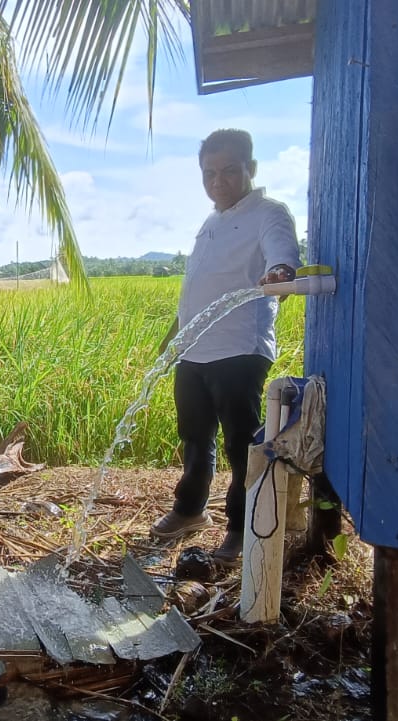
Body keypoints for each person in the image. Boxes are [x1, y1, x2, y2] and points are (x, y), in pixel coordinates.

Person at [149, 129, 301, 564]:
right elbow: (197, 286)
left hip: (238, 350)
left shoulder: (269, 213)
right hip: (193, 350)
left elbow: (281, 255)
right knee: (195, 437)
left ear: (250, 169)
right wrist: (172, 340)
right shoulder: (211, 222)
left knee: (240, 446)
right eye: (209, 172)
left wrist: (280, 273)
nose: (218, 180)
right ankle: (190, 510)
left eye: (229, 171)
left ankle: (239, 528)